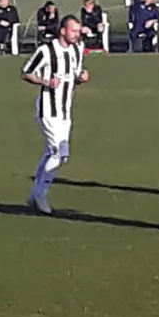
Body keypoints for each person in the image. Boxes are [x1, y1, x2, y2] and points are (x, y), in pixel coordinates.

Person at [22, 16, 90, 214]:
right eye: (73, 31)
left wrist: (82, 77)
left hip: (65, 111)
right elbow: (26, 73)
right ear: (62, 31)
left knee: (53, 154)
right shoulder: (46, 50)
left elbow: (75, 76)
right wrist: (46, 82)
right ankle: (40, 194)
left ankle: (35, 194)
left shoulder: (77, 49)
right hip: (48, 110)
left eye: (78, 31)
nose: (76, 34)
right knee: (60, 154)